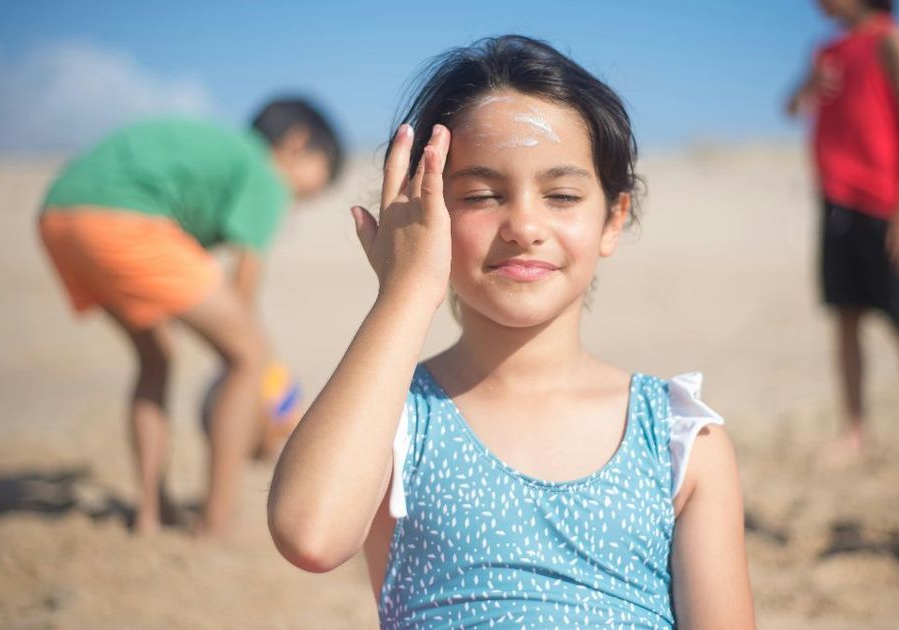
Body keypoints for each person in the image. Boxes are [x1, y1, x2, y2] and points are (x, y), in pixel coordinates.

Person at [268, 35, 755, 628]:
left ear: (614, 218)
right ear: (428, 214)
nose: (524, 225)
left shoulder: (677, 438)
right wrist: (403, 293)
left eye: (563, 195)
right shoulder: (391, 419)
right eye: (481, 195)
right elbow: (309, 535)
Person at [38, 98, 344, 536]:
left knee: (156, 356)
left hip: (61, 215)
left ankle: (151, 512)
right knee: (248, 355)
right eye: (311, 188)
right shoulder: (265, 171)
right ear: (296, 145)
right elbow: (242, 300)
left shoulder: (220, 155)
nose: (297, 205)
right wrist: (265, 400)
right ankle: (217, 520)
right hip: (124, 218)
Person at [787, 0, 899, 466]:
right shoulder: (826, 48)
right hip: (835, 202)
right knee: (845, 317)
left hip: (883, 203)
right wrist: (809, 86)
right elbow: (792, 106)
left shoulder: (892, 41)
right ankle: (854, 430)